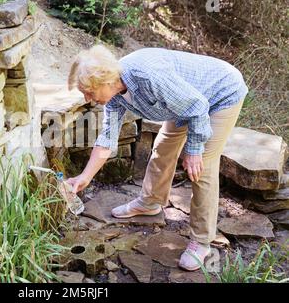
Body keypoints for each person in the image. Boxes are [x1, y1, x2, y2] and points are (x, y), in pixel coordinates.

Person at [66, 45, 248, 271]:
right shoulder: (114, 95)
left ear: (105, 81)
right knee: (164, 146)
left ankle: (201, 241)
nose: (87, 98)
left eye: (89, 92)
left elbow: (198, 106)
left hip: (220, 93)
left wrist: (193, 150)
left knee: (202, 166)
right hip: (184, 101)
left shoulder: (146, 77)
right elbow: (107, 139)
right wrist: (85, 177)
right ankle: (150, 203)